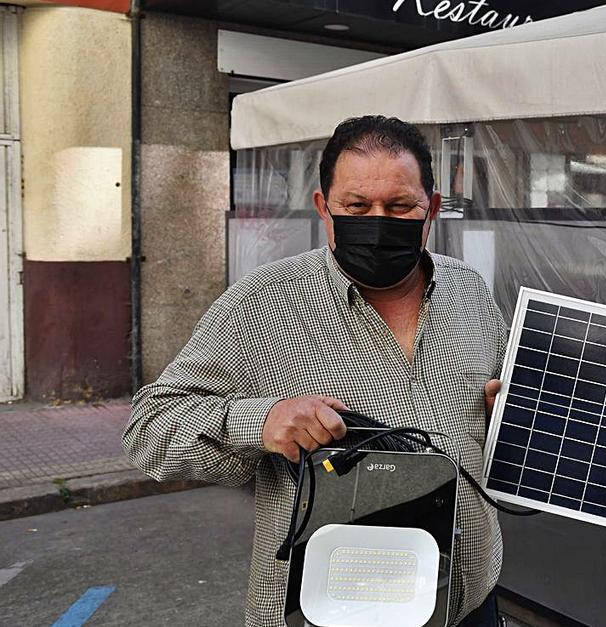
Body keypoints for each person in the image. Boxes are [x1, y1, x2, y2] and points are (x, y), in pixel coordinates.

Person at [123, 116, 506, 627]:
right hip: (330, 607)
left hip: (468, 598)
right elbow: (148, 430)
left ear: (431, 209)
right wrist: (259, 423)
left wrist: (506, 411)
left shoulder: (470, 292)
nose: (377, 221)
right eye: (356, 206)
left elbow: (503, 410)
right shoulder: (263, 301)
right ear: (324, 207)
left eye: (399, 207)